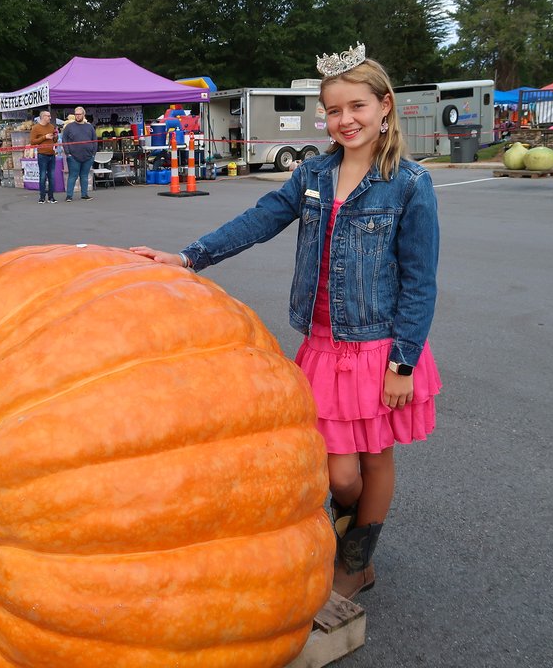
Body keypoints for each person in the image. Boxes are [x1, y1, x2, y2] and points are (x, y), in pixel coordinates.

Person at [129, 45, 441, 601]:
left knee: (375, 456)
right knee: (337, 471)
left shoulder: (410, 184)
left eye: (357, 107)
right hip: (322, 344)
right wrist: (187, 257)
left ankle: (355, 562)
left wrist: (403, 362)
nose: (346, 120)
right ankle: (345, 534)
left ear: (385, 106)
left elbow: (420, 280)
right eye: (334, 110)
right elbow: (262, 218)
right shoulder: (314, 173)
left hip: (379, 347)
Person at [61, 106, 97, 201]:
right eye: (76, 114)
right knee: (73, 176)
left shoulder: (89, 127)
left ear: (83, 115)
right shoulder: (69, 127)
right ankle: (69, 195)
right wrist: (68, 153)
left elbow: (94, 140)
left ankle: (84, 194)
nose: (77, 116)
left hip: (88, 156)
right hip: (73, 157)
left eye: (79, 114)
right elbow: (64, 140)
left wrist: (93, 153)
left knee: (84, 176)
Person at [30, 110, 58, 203]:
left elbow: (54, 140)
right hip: (42, 154)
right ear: (42, 117)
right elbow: (33, 141)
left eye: (50, 116)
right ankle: (42, 197)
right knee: (42, 176)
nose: (50, 118)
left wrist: (55, 136)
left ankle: (51, 197)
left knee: (52, 176)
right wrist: (44, 137)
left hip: (52, 154)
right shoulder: (36, 128)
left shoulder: (51, 126)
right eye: (48, 116)